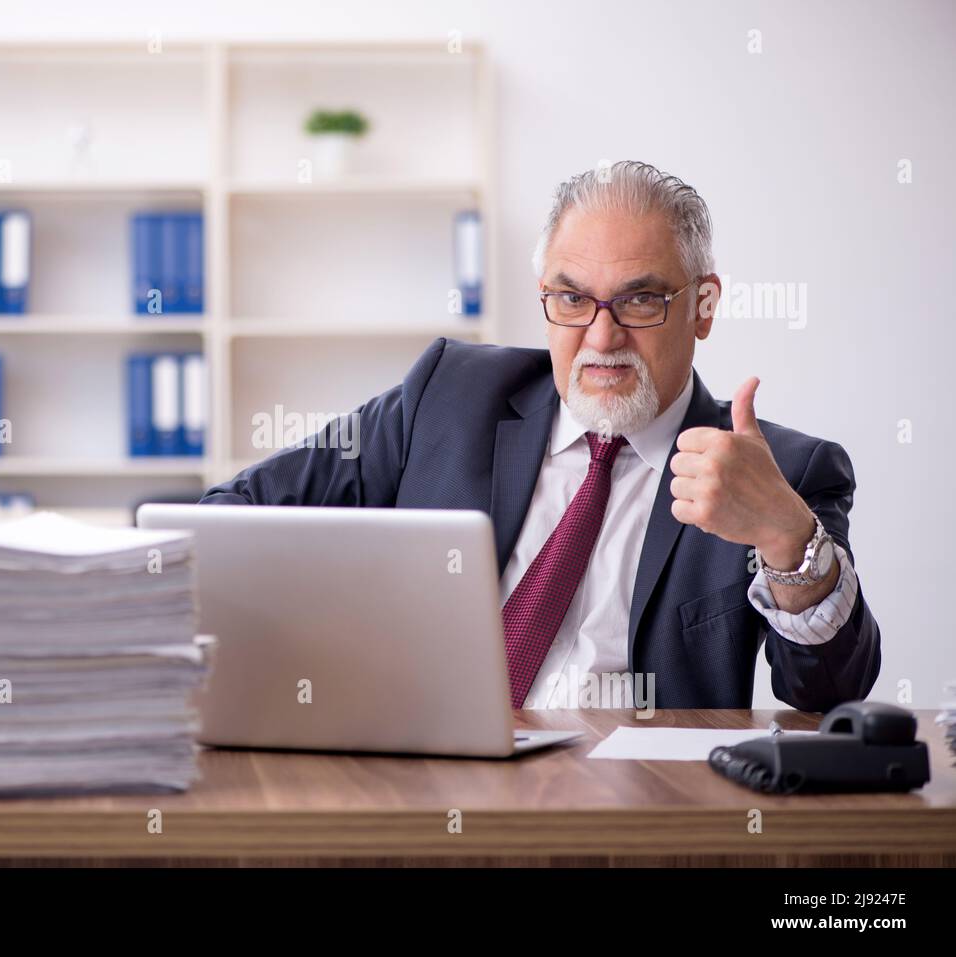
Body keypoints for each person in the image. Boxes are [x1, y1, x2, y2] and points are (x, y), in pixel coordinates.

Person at [200, 161, 880, 713]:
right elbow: (235, 513)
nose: (602, 336)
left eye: (641, 300)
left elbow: (829, 691)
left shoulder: (774, 470)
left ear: (703, 306)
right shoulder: (449, 394)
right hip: (425, 782)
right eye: (573, 298)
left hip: (636, 814)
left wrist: (789, 540)